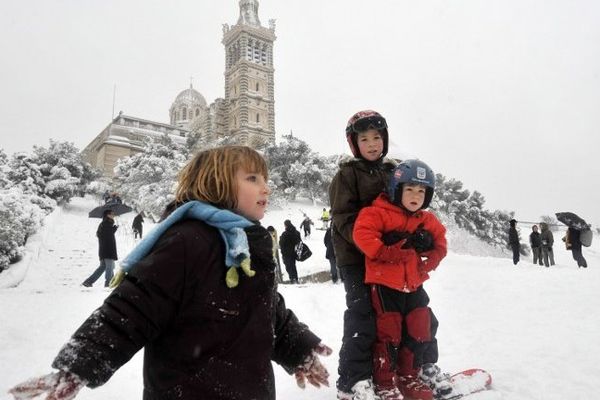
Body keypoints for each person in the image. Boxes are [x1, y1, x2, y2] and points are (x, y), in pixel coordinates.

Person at [10, 146, 331, 400]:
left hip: (252, 391)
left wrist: (298, 347)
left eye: (264, 179)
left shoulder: (247, 246)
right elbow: (131, 309)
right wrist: (76, 369)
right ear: (216, 185)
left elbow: (267, 310)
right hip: (187, 391)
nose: (266, 187)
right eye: (252, 179)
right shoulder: (187, 242)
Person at [353, 159, 451, 400]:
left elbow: (441, 242)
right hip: (385, 285)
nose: (416, 195)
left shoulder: (426, 220)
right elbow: (362, 235)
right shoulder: (377, 212)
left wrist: (430, 254)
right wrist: (389, 249)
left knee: (420, 327)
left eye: (421, 191)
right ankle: (384, 381)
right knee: (390, 334)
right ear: (397, 189)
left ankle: (409, 375)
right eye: (410, 189)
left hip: (414, 284)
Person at [329, 110, 396, 399]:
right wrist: (373, 241)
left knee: (393, 314)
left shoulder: (393, 172)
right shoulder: (346, 175)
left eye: (377, 137)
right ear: (354, 144)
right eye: (364, 138)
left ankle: (391, 370)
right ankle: (353, 380)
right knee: (362, 315)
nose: (372, 144)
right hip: (356, 258)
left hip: (387, 258)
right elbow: (343, 218)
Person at [82, 209, 118, 287]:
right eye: (112, 214)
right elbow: (107, 237)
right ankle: (108, 283)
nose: (113, 215)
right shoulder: (106, 224)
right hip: (108, 251)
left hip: (104, 250)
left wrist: (113, 229)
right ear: (108, 215)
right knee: (109, 267)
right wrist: (114, 229)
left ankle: (89, 281)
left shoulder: (104, 224)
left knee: (103, 267)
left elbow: (104, 235)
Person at [279, 219, 302, 284]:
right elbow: (299, 242)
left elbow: (281, 243)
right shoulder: (296, 232)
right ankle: (295, 279)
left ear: (286, 225)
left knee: (288, 266)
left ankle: (292, 279)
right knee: (293, 266)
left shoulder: (285, 234)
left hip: (287, 253)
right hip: (294, 253)